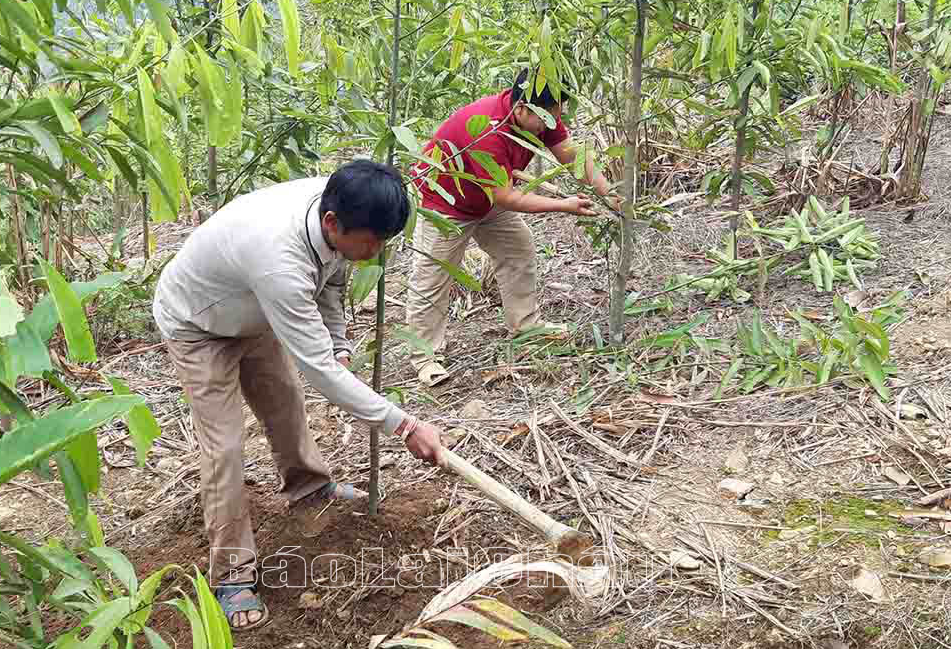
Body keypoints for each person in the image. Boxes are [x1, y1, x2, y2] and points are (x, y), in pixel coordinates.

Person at [152, 160, 444, 631]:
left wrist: (341, 343)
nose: (376, 252)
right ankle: (231, 574)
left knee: (285, 402)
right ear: (333, 223)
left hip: (253, 310)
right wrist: (403, 426)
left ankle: (309, 488)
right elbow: (320, 371)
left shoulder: (335, 205)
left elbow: (331, 278)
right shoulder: (279, 260)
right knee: (224, 446)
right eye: (371, 241)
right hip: (198, 324)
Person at [406, 69, 616, 386]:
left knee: (518, 249)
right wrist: (564, 205)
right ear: (520, 109)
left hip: (487, 198)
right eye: (546, 118)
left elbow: (572, 156)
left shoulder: (542, 113)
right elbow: (506, 197)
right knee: (433, 276)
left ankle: (526, 327)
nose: (551, 125)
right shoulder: (487, 130)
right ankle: (425, 357)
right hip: (445, 203)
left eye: (555, 117)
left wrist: (609, 193)